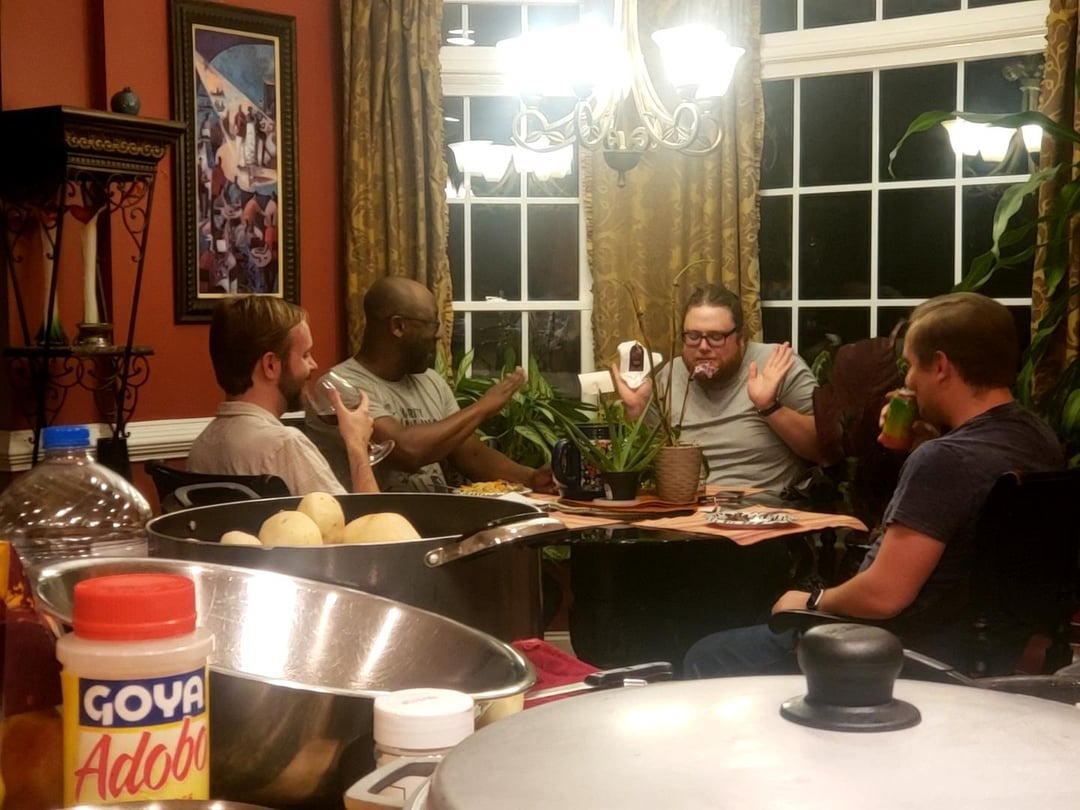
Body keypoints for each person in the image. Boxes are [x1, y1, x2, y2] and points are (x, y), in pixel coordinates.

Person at [682, 292, 1065, 678]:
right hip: (992, 643)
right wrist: (919, 443)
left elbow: (883, 597)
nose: (908, 380)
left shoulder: (945, 460)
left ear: (940, 366)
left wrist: (811, 600)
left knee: (706, 653)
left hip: (899, 648)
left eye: (911, 366)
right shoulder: (1036, 437)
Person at [305, 276, 556, 493]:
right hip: (378, 523)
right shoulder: (341, 388)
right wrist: (483, 408)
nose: (438, 334)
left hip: (437, 518)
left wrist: (531, 478)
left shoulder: (430, 381)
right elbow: (406, 451)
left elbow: (469, 453)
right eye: (432, 323)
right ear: (398, 326)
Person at [612, 283, 821, 494]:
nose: (703, 347)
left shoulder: (777, 365)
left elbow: (823, 451)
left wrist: (769, 407)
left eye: (716, 337)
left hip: (761, 505)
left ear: (741, 339)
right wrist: (636, 411)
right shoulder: (669, 376)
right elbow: (642, 468)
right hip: (687, 505)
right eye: (693, 336)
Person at [188, 296, 378, 496]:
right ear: (270, 365)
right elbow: (372, 516)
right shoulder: (284, 445)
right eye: (305, 355)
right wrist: (357, 446)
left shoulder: (201, 448)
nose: (313, 365)